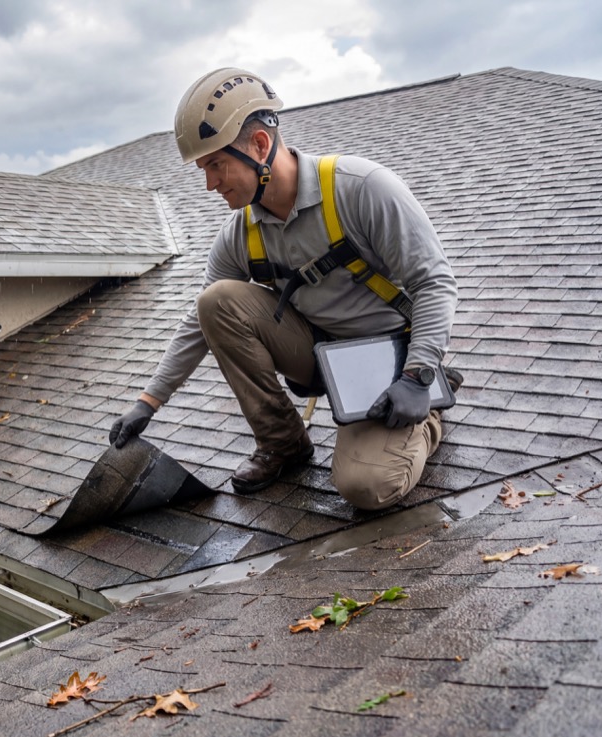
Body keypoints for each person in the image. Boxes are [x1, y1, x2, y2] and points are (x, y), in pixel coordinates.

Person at [110, 68, 458, 510]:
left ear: (258, 145)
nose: (210, 184)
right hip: (319, 356)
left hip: (389, 359)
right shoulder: (241, 232)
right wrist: (148, 402)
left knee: (367, 487)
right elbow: (200, 323)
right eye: (204, 169)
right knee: (215, 302)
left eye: (216, 164)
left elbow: (435, 282)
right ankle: (284, 444)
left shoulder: (360, 189)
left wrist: (417, 375)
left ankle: (426, 414)